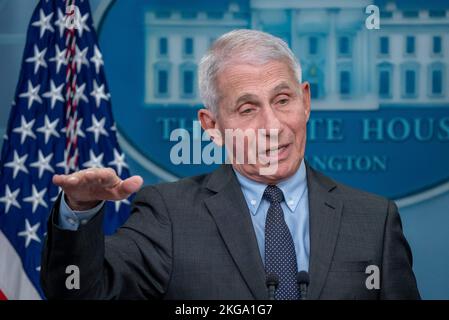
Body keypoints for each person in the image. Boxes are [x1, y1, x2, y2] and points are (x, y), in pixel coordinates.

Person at [40, 29, 420, 300]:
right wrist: (81, 212)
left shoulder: (374, 220)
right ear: (212, 125)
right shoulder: (168, 216)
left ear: (305, 101)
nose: (272, 127)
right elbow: (80, 293)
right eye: (247, 108)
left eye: (283, 100)